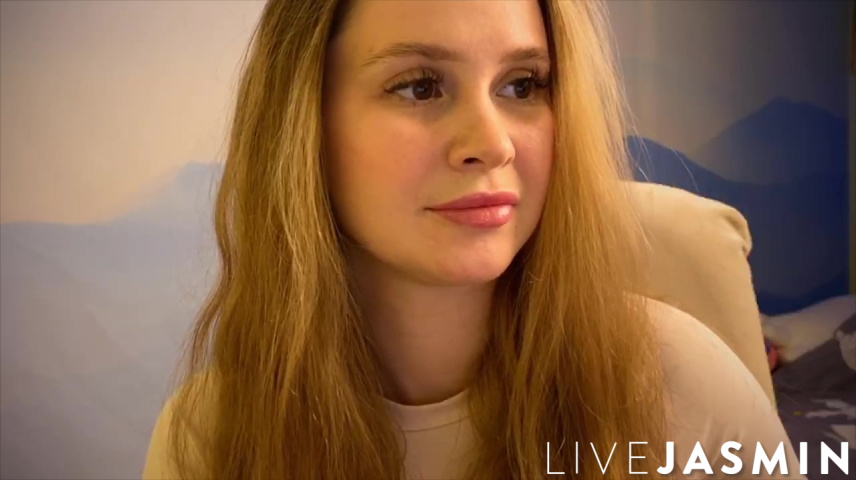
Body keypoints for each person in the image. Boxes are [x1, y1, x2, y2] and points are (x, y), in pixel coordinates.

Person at [143, 1, 804, 479]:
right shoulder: (211, 436)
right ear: (304, 125)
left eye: (522, 85)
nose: (492, 142)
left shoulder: (676, 385)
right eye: (420, 86)